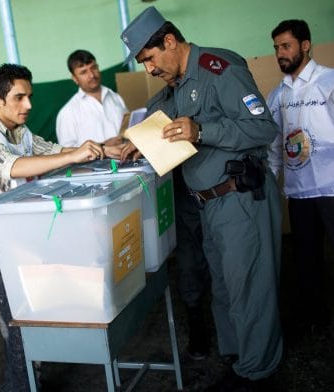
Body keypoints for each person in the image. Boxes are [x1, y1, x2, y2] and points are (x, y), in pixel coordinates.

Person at [120, 6, 282, 390]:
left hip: (240, 199)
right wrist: (130, 140)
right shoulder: (178, 84)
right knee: (225, 291)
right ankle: (238, 359)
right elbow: (158, 119)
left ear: (170, 41)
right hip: (209, 204)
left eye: (150, 58)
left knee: (249, 292)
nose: (149, 69)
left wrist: (201, 130)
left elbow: (263, 127)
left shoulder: (219, 69)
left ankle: (257, 373)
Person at [0, 63, 133, 392]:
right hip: (3, 250)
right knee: (19, 330)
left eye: (30, 96)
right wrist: (72, 157)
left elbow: (51, 150)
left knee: (36, 319)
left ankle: (33, 376)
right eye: (19, 98)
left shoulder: (20, 134)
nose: (29, 105)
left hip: (28, 239)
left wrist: (100, 150)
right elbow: (16, 167)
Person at [266, 19, 334, 335]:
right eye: (277, 47)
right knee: (306, 259)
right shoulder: (278, 94)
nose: (280, 53)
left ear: (305, 45)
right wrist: (270, 182)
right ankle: (315, 316)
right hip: (301, 192)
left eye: (286, 45)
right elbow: (275, 144)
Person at [145, 82, 211, 361]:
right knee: (188, 265)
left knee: (223, 262)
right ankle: (198, 329)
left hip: (217, 191)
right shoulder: (158, 103)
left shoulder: (210, 88)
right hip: (181, 194)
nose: (152, 68)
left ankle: (234, 329)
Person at [56, 49, 130, 147]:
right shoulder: (68, 113)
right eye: (83, 72)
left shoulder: (116, 98)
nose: (92, 75)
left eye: (94, 67)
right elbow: (67, 152)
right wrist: (103, 146)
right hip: (96, 162)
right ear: (74, 78)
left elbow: (129, 129)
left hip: (127, 160)